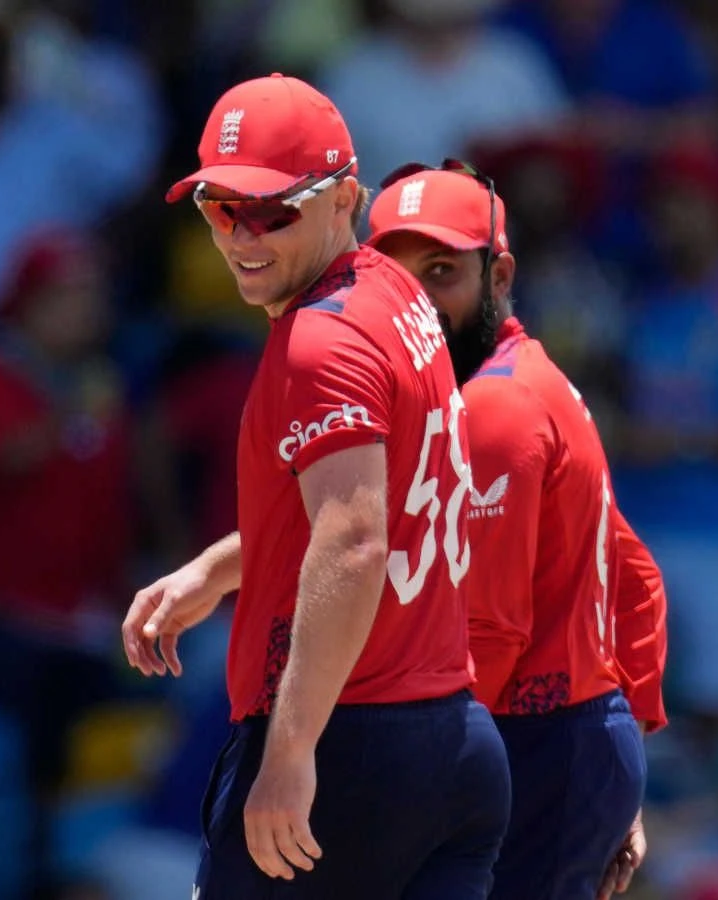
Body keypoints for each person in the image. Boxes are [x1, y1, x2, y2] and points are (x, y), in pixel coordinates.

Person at [120, 74, 509, 899]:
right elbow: (370, 498)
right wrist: (220, 569)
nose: (240, 235)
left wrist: (291, 753)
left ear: (346, 200)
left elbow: (356, 541)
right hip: (449, 741)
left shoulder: (318, 343)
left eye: (271, 210)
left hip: (351, 746)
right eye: (219, 207)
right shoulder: (395, 292)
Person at [367, 159, 669, 900]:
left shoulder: (493, 410)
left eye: (441, 272)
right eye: (395, 280)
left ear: (499, 274)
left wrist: (419, 798)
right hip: (563, 744)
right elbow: (636, 577)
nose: (418, 303)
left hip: (527, 741)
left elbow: (488, 635)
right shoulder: (519, 379)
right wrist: (621, 760)